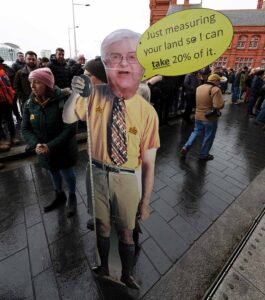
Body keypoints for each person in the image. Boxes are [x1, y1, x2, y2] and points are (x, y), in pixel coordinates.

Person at [63, 29, 160, 289]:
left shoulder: (147, 112)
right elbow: (69, 118)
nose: (123, 64)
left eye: (130, 58)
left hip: (126, 177)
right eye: (115, 58)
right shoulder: (95, 95)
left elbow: (150, 163)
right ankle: (104, 266)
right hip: (97, 173)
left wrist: (146, 201)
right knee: (103, 226)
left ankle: (127, 274)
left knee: (127, 231)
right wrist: (76, 93)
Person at [21, 68, 78, 218]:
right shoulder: (29, 103)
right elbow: (25, 128)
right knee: (53, 172)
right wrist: (36, 145)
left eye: (37, 82)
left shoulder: (65, 99)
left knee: (68, 173)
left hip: (63, 148)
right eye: (30, 82)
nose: (32, 86)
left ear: (47, 84)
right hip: (44, 150)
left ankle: (72, 196)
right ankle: (60, 195)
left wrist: (49, 146)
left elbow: (70, 129)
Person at [180, 74, 225, 161]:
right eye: (219, 81)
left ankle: (186, 147)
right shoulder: (215, 89)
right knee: (209, 135)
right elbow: (218, 105)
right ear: (215, 81)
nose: (219, 83)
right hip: (209, 117)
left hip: (198, 115)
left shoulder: (199, 87)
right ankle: (203, 154)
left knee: (196, 132)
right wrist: (222, 102)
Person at [0, 57, 20, 148]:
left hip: (7, 101)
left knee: (10, 119)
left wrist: (11, 96)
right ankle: (3, 139)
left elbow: (8, 86)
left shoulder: (3, 72)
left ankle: (13, 136)